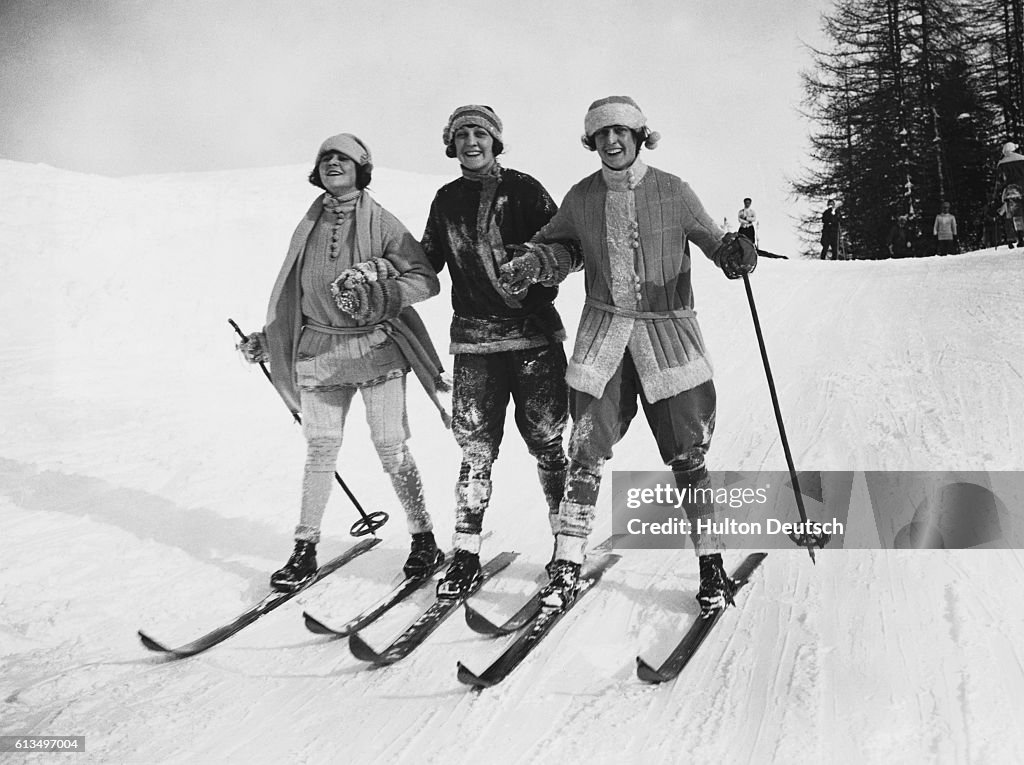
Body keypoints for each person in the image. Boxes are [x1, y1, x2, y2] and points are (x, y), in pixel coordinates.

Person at [499, 96, 757, 615]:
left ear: (641, 136)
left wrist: (736, 252)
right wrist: (533, 262)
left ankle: (711, 566)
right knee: (585, 447)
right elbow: (557, 246)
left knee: (687, 452)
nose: (611, 142)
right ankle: (567, 563)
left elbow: (713, 240)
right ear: (591, 142)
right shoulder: (582, 197)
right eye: (601, 135)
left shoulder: (674, 190)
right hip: (605, 338)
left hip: (668, 338)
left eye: (621, 133)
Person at [237, 133, 449, 592]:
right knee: (319, 450)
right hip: (317, 350)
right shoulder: (308, 226)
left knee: (390, 446)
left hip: (375, 349)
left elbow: (426, 280)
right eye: (326, 158)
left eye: (344, 158)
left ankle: (423, 537)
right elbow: (296, 296)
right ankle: (304, 549)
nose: (334, 163)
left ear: (361, 169)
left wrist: (384, 292)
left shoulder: (384, 223)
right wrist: (269, 342)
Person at [420, 105, 573, 597]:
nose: (470, 141)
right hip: (474, 342)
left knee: (548, 441)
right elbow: (425, 264)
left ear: (494, 141)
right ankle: (465, 550)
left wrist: (538, 262)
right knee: (475, 448)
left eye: (479, 133)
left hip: (534, 338)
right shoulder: (445, 201)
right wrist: (385, 280)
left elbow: (570, 249)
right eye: (461, 134)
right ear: (451, 144)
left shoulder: (525, 190)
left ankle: (565, 545)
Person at [993, 142, 1024, 247]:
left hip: (1011, 193)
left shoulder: (1001, 164)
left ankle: (1019, 238)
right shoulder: (1022, 159)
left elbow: (999, 182)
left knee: (1016, 216)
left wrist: (996, 196)